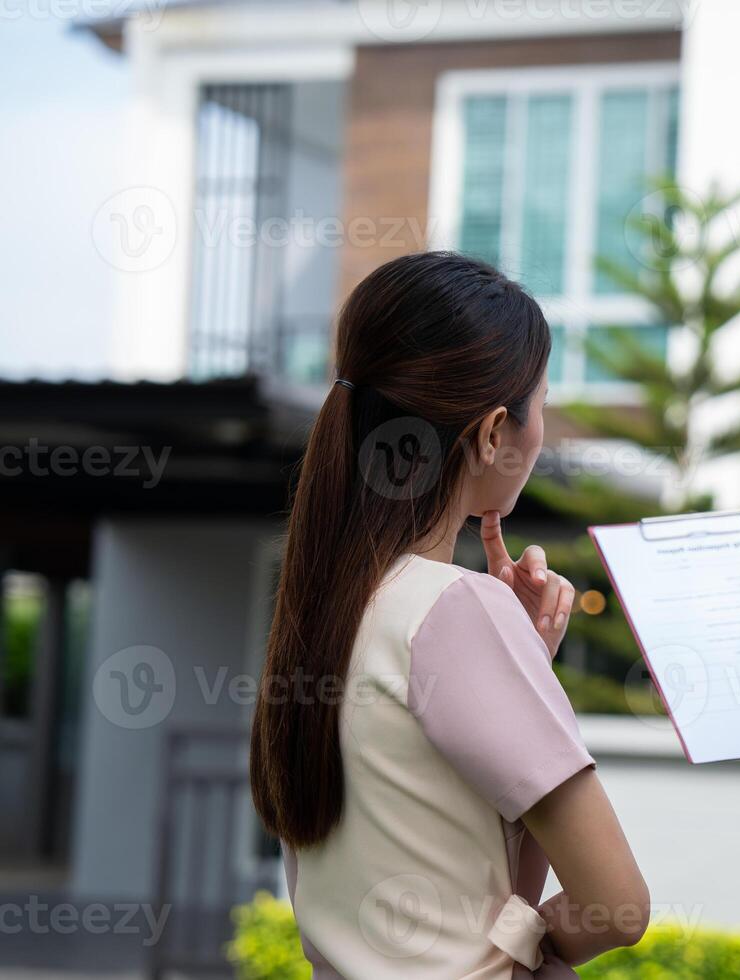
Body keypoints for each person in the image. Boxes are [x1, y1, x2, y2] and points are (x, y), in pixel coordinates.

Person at [249, 251, 649, 978]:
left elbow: (472, 879)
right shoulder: (460, 606)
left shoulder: (326, 610)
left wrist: (523, 665)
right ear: (494, 431)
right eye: (542, 407)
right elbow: (617, 907)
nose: (541, 436)